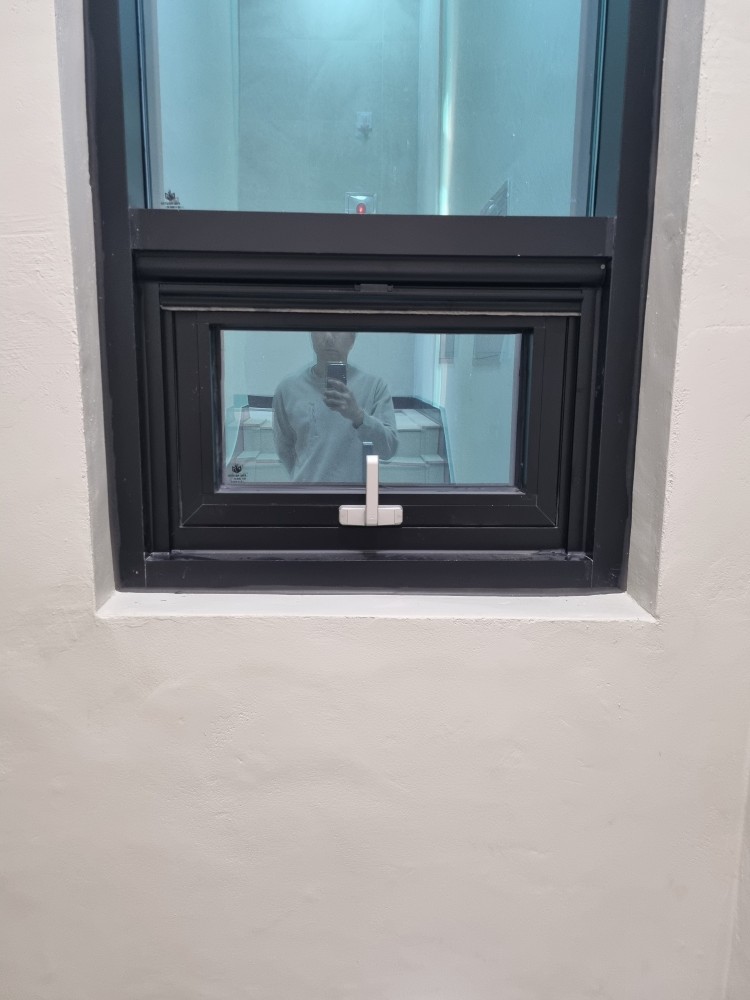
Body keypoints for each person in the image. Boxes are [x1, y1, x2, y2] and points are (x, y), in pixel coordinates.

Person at [272, 330, 398, 483]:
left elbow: (388, 449)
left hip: (355, 496)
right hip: (306, 493)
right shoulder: (288, 389)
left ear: (352, 338)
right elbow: (284, 450)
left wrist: (358, 416)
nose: (329, 337)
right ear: (311, 335)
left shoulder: (374, 387)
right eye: (321, 328)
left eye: (337, 329)